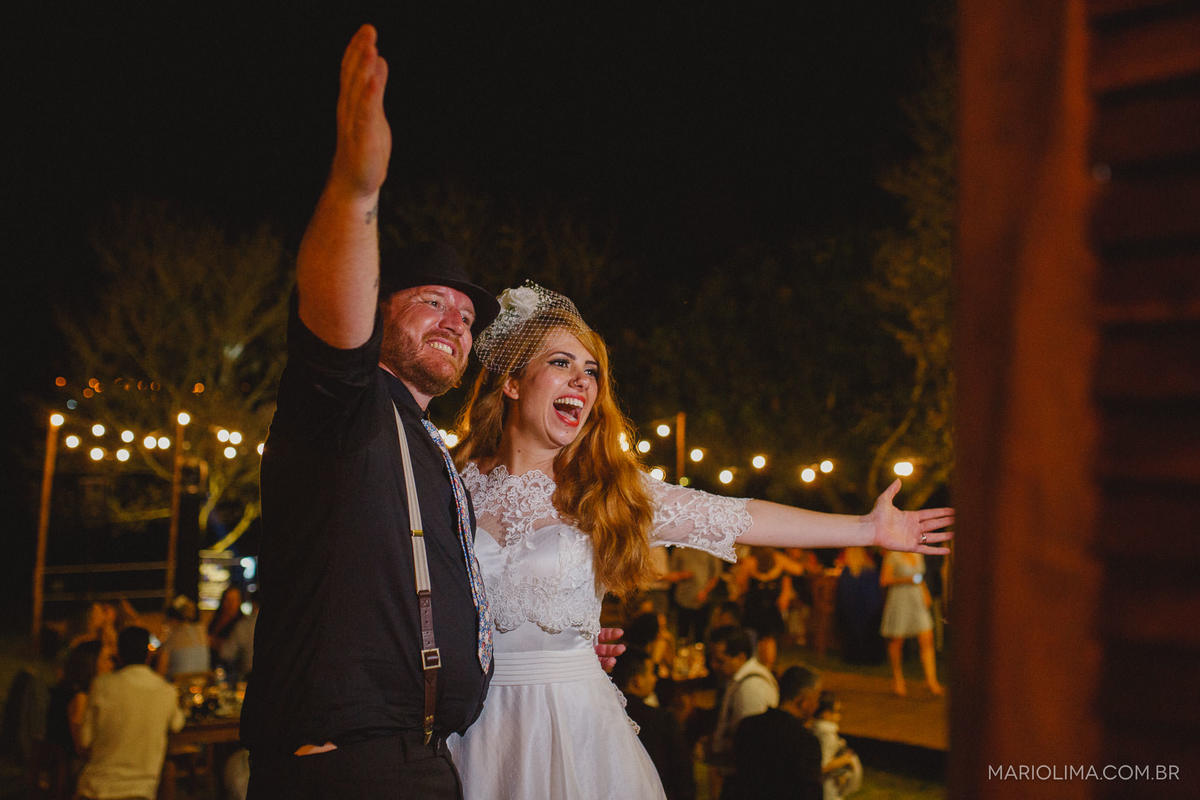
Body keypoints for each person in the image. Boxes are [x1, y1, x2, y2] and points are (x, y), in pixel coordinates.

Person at [445, 282, 953, 798]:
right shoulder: (450, 482)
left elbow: (739, 516)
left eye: (592, 371)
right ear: (511, 381)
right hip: (473, 726)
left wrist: (864, 529)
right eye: (561, 363)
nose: (582, 380)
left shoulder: (610, 491)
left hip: (575, 728)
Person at [239, 23, 502, 800]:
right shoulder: (346, 408)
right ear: (377, 313)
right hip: (343, 768)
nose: (457, 322)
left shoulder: (428, 445)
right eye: (431, 302)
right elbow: (332, 322)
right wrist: (357, 191)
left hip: (423, 760)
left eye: (466, 316)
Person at [76, 626, 185, 800]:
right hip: (140, 792)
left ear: (118, 654)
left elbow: (85, 739)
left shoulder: (101, 685)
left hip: (97, 789)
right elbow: (177, 724)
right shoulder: (166, 691)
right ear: (149, 655)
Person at [727, 665, 824, 800]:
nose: (817, 705)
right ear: (804, 700)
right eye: (817, 698)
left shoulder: (748, 725)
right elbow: (810, 793)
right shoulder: (805, 742)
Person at [612, 648, 695, 800]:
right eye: (651, 673)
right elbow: (682, 775)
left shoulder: (604, 716)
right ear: (637, 680)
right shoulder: (662, 719)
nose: (654, 679)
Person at [708, 624, 778, 776]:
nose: (713, 665)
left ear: (740, 657)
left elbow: (752, 743)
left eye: (720, 661)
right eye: (712, 659)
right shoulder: (738, 679)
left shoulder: (752, 688)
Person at [879, 551, 943, 696]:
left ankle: (931, 680)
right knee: (897, 640)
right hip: (900, 599)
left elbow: (920, 578)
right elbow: (884, 579)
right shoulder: (893, 555)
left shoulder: (917, 553)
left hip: (916, 598)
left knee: (927, 637)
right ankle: (898, 678)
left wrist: (925, 592)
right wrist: (906, 580)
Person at [811, 691, 862, 800]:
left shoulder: (815, 728)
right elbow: (822, 766)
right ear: (825, 713)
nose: (840, 715)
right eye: (837, 711)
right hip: (828, 790)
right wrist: (846, 760)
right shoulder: (826, 734)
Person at [669, 546, 723, 643]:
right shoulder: (679, 548)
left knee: (700, 635)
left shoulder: (710, 547)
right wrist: (682, 575)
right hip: (683, 598)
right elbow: (672, 573)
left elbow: (716, 575)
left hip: (703, 600)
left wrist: (705, 592)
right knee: (682, 634)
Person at [155, 595, 210, 679]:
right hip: (202, 684)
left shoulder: (172, 636)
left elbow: (160, 673)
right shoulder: (201, 630)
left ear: (172, 619)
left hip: (177, 687)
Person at [207, 585, 244, 668]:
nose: (230, 604)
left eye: (234, 600)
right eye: (228, 600)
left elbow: (236, 648)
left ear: (239, 602)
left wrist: (213, 642)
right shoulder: (217, 618)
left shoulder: (241, 623)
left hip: (229, 666)